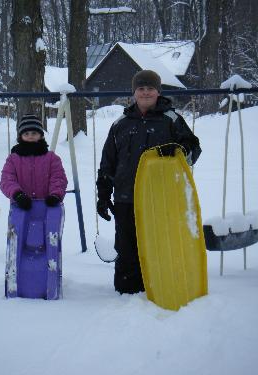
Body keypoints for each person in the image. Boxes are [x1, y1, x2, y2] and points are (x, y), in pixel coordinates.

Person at [96, 70, 201, 294]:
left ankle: (161, 286)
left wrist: (180, 150)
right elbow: (108, 163)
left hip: (161, 197)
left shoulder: (171, 120)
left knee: (160, 244)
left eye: (150, 88)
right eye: (141, 89)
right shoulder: (120, 124)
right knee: (127, 246)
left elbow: (193, 150)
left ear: (158, 92)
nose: (145, 92)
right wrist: (103, 195)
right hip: (126, 197)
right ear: (134, 92)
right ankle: (128, 292)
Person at [0, 114, 68, 210]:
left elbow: (58, 178)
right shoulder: (13, 159)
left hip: (48, 207)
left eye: (34, 133)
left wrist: (55, 194)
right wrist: (17, 194)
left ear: (40, 135)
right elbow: (7, 180)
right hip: (21, 208)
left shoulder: (52, 158)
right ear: (21, 136)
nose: (30, 136)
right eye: (26, 134)